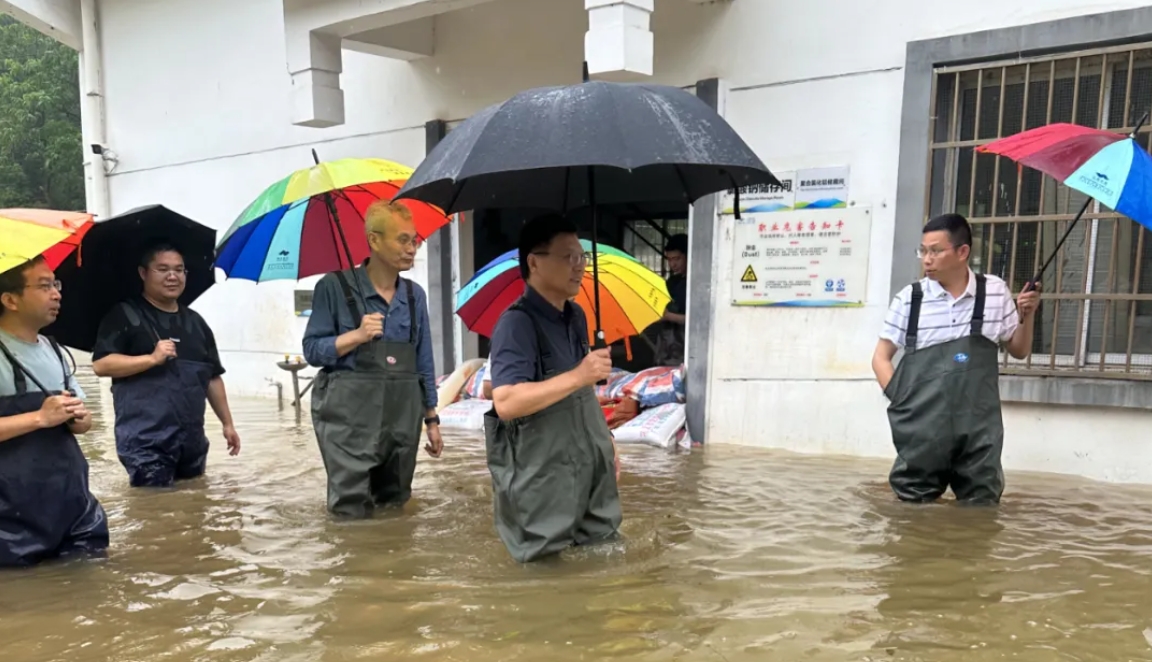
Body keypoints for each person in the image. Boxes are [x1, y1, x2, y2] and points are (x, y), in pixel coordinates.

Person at [871, 213, 1040, 505]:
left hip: (978, 429)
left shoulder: (994, 292)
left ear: (963, 252)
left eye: (935, 251)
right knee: (912, 508)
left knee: (981, 507)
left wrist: (1028, 314)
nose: (926, 259)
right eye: (923, 250)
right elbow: (881, 358)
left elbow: (1019, 349)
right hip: (922, 427)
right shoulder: (910, 300)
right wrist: (902, 401)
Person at [486, 214, 622, 563]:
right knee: (544, 573)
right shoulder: (517, 324)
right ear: (534, 262)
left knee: (602, 554)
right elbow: (506, 402)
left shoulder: (575, 316)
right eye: (568, 258)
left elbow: (582, 392)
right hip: (542, 478)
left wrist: (605, 440)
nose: (579, 267)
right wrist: (579, 375)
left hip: (586, 463)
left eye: (582, 258)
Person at [303, 201, 442, 519]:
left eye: (414, 240)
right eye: (403, 240)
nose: (411, 249)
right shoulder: (333, 288)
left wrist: (431, 420)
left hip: (401, 419)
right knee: (350, 509)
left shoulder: (414, 295)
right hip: (349, 421)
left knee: (395, 503)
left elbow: (423, 360)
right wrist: (355, 336)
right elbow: (312, 350)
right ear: (374, 240)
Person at [92, 242, 241, 488]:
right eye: (163, 269)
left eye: (179, 269)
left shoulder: (196, 323)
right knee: (153, 511)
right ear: (143, 273)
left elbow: (212, 377)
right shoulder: (125, 315)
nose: (172, 276)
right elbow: (101, 365)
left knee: (193, 507)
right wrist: (151, 359)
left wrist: (227, 424)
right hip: (146, 443)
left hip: (191, 440)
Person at [0, 256, 109, 566]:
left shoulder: (54, 349)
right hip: (10, 520)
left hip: (73, 507)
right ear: (10, 299)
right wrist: (38, 418)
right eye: (45, 285)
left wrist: (79, 418)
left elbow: (82, 424)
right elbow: (43, 418)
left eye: (56, 284)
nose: (57, 293)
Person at [653, 233, 688, 366]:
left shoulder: (698, 284)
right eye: (669, 259)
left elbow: (699, 321)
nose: (673, 264)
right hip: (665, 349)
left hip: (684, 352)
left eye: (677, 258)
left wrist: (669, 316)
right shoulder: (672, 282)